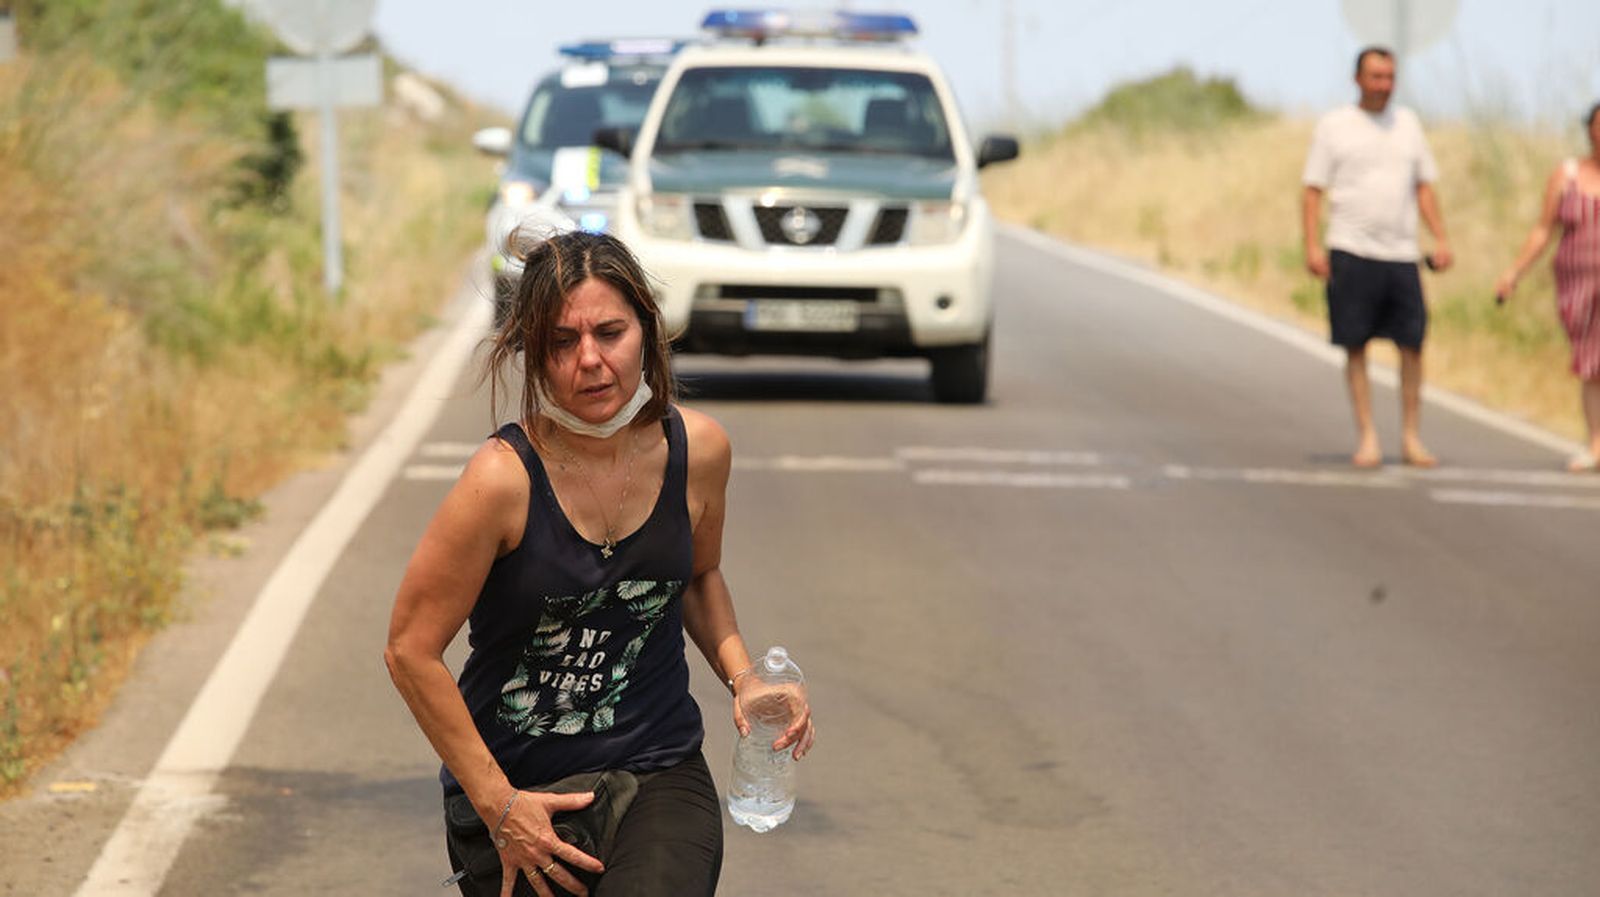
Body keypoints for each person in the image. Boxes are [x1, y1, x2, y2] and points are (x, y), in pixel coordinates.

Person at [385, 230, 815, 897]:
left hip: (657, 768)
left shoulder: (698, 451)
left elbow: (697, 575)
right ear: (536, 354)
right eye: (563, 341)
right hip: (521, 792)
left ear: (646, 329)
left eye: (610, 332)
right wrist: (500, 803)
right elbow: (410, 648)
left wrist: (744, 677)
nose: (591, 359)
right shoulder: (500, 482)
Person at [1302, 46, 1454, 468]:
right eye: (1376, 77)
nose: (1383, 85)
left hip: (1401, 251)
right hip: (1352, 247)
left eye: (1389, 77)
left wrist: (1440, 238)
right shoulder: (1335, 126)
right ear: (1358, 79)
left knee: (1412, 344)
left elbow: (1424, 186)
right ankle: (1367, 435)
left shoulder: (1408, 124)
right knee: (1356, 344)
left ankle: (1410, 436)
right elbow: (1312, 189)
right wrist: (1313, 246)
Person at [1494, 102, 1600, 472]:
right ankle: (1595, 443)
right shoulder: (1568, 174)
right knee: (1590, 361)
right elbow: (1543, 230)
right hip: (1579, 284)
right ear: (1589, 129)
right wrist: (1513, 273)